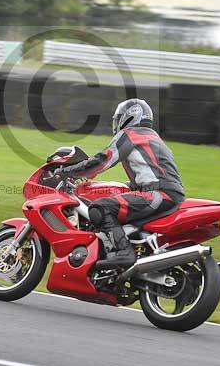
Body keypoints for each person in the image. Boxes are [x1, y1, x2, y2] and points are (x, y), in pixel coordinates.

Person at [54, 98, 185, 269]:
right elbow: (151, 175)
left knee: (100, 208)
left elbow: (101, 161)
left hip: (157, 194)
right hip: (171, 195)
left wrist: (65, 171)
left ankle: (124, 252)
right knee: (114, 202)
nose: (116, 123)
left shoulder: (130, 135)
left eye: (118, 118)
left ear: (130, 117)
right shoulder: (155, 139)